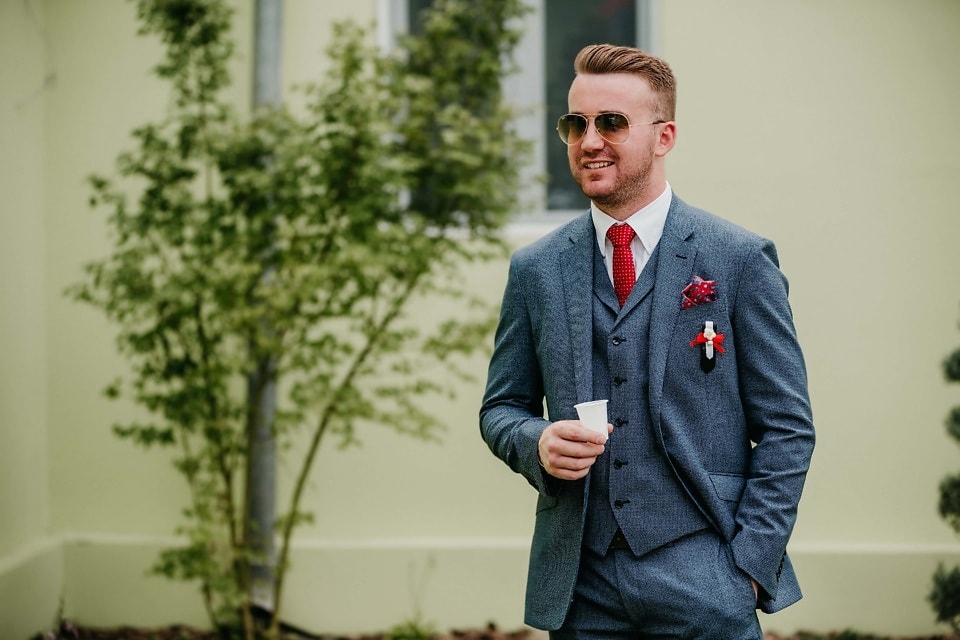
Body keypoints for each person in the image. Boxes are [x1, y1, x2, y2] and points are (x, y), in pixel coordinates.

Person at [479, 43, 815, 639]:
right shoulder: (537, 270)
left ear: (664, 137)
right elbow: (501, 409)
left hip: (709, 578)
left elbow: (788, 426)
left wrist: (748, 570)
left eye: (611, 122)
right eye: (574, 124)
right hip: (582, 585)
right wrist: (537, 443)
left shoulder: (737, 260)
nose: (589, 141)